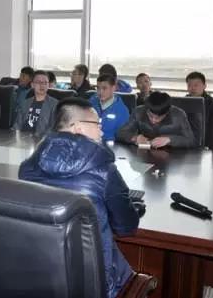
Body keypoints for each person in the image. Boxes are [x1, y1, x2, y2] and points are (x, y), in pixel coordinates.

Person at [19, 98, 140, 298]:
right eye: (97, 125)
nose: (102, 131)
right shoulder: (105, 171)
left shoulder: (27, 167)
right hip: (95, 283)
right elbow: (126, 226)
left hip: (42, 274)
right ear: (78, 128)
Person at [117, 91, 196, 148]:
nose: (153, 120)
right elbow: (120, 133)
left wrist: (169, 140)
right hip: (145, 154)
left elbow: (191, 140)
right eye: (150, 116)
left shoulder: (178, 115)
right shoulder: (138, 111)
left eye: (158, 118)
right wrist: (135, 138)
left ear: (166, 113)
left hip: (173, 156)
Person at [14, 70, 58, 136]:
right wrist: (14, 137)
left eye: (45, 82)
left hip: (40, 138)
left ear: (48, 85)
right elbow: (17, 124)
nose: (42, 85)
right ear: (32, 85)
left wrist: (40, 139)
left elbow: (53, 128)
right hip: (22, 138)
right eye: (38, 82)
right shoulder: (25, 103)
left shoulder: (55, 104)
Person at [89, 74, 129, 143]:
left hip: (110, 145)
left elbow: (123, 136)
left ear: (113, 88)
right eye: (98, 88)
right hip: (89, 142)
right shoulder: (90, 103)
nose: (100, 92)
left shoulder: (122, 111)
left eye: (104, 88)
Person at [185, 71, 213, 145]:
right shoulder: (184, 101)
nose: (192, 88)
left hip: (204, 141)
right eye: (189, 85)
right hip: (185, 140)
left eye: (196, 85)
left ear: (204, 86)